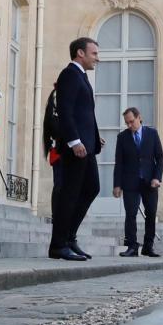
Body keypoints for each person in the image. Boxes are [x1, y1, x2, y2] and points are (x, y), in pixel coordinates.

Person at [48, 37, 104, 261]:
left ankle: (69, 237)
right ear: (80, 53)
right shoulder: (69, 74)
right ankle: (58, 245)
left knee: (92, 188)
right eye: (94, 54)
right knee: (70, 194)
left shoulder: (81, 76)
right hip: (76, 147)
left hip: (86, 145)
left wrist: (94, 137)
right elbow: (65, 111)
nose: (97, 58)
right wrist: (74, 141)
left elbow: (86, 113)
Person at [113, 107, 163, 257]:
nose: (129, 125)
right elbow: (119, 163)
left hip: (150, 182)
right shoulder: (122, 138)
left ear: (139, 117)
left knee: (151, 213)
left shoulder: (152, 134)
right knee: (131, 214)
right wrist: (117, 185)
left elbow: (160, 158)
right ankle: (132, 247)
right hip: (130, 182)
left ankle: (148, 247)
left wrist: (157, 177)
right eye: (127, 123)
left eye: (131, 122)